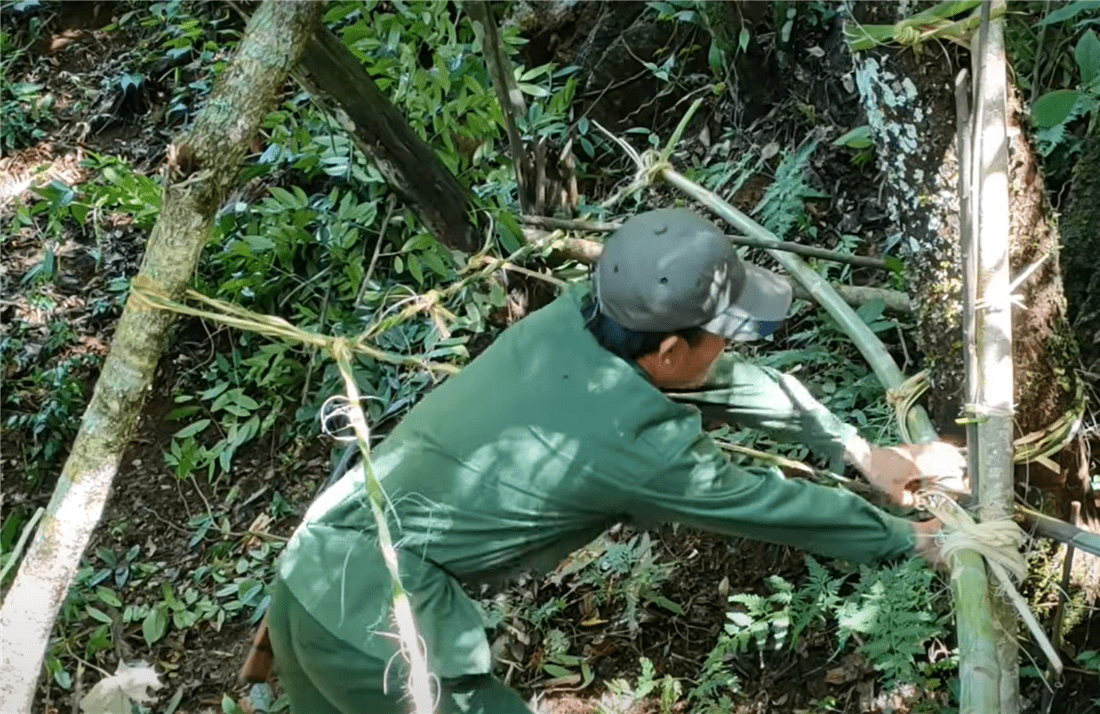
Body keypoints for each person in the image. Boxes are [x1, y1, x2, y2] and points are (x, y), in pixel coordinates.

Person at [265, 208, 956, 714]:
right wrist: (905, 540)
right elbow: (765, 505)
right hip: (379, 625)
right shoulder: (639, 446)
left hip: (310, 571)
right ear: (668, 352)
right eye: (721, 336)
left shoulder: (575, 321)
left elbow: (728, 385)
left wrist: (858, 450)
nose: (729, 349)